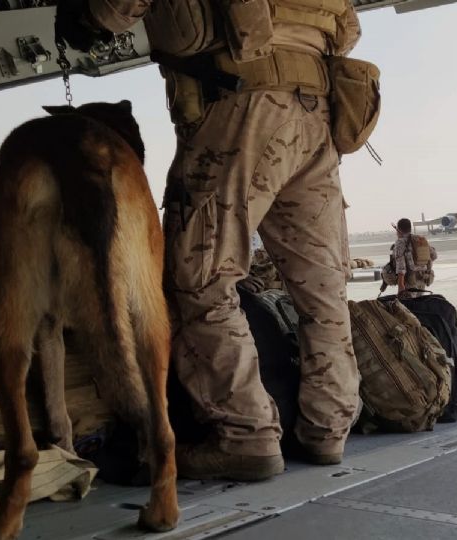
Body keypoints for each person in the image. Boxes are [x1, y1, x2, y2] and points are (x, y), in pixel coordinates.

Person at [55, 0, 363, 481]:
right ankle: (327, 430)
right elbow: (347, 33)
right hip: (316, 113)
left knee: (198, 278)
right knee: (323, 289)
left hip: (241, 106)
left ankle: (248, 437)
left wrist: (88, 18)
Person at [389, 218, 438, 296]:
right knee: (419, 305)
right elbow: (434, 255)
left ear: (399, 230)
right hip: (422, 279)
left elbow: (401, 266)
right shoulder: (420, 239)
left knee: (409, 306)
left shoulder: (400, 243)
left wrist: (401, 285)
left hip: (409, 282)